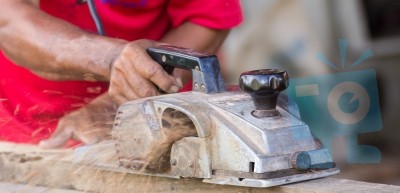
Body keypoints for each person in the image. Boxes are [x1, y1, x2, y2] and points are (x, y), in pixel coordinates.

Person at [0, 0, 242, 148]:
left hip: (156, 125)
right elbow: (10, 21)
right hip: (19, 131)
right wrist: (112, 57)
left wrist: (122, 101)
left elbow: (208, 19)